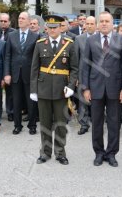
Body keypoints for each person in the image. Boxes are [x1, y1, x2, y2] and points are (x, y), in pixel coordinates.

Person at [81, 11, 122, 168]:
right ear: (97, 24)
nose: (103, 23)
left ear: (112, 24)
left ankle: (111, 153)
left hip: (115, 89)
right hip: (95, 88)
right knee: (96, 122)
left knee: (114, 123)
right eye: (101, 21)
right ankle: (99, 153)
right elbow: (85, 66)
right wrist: (85, 88)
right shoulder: (91, 41)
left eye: (106, 21)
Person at [30, 15, 78, 165]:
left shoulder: (69, 44)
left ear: (60, 28)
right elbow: (34, 69)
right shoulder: (40, 44)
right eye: (49, 28)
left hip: (61, 90)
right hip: (43, 89)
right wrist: (33, 90)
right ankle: (45, 152)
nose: (52, 30)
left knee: (61, 124)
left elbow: (75, 68)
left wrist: (71, 87)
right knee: (44, 123)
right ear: (46, 29)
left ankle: (60, 152)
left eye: (55, 27)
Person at [4, 12, 39, 135]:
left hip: (30, 74)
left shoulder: (35, 36)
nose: (20, 20)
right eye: (19, 18)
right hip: (15, 74)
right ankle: (17, 125)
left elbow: (37, 57)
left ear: (29, 21)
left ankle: (32, 125)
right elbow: (7, 56)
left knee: (31, 102)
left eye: (23, 18)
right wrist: (7, 73)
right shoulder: (11, 36)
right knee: (16, 102)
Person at [74, 16, 96, 135]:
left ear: (96, 25)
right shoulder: (79, 39)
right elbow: (76, 59)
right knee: (82, 100)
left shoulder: (101, 39)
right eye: (87, 23)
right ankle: (84, 124)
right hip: (83, 75)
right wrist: (76, 77)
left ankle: (97, 122)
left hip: (98, 76)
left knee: (97, 100)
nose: (89, 26)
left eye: (92, 23)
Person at [0, 13, 16, 121]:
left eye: (5, 21)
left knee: (9, 91)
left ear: (9, 22)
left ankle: (10, 111)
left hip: (9, 64)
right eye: (1, 21)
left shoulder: (13, 33)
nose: (3, 23)